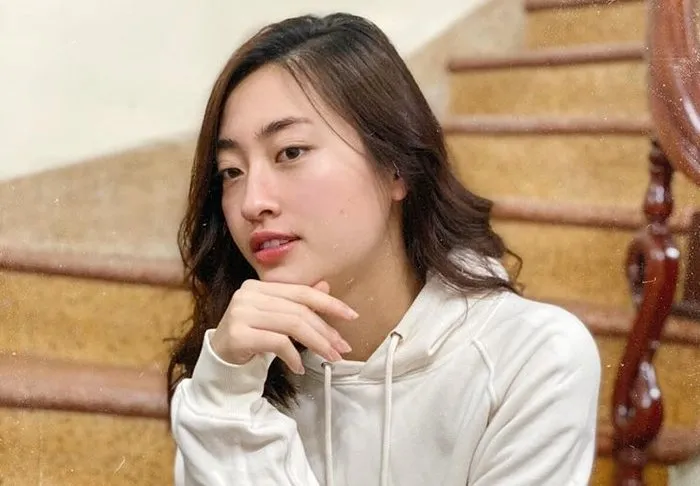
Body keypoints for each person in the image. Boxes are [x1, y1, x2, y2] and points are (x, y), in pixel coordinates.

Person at [167, 12, 601, 486]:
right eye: (231, 172)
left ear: (395, 166)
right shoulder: (234, 367)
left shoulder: (534, 358)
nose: (252, 203)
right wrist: (224, 396)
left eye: (290, 152)